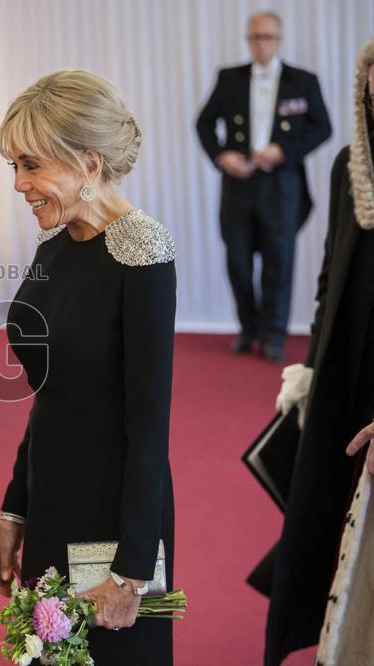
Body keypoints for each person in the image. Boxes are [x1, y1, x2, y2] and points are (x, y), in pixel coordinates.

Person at [0, 71, 176, 665]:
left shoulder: (143, 250)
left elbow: (150, 425)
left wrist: (132, 574)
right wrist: (14, 511)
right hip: (52, 503)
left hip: (115, 524)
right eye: (15, 166)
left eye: (31, 166)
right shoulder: (55, 244)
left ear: (89, 164)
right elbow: (52, 395)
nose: (19, 184)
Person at [262, 36, 374, 666]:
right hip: (341, 370)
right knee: (323, 517)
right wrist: (309, 364)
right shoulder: (348, 165)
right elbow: (331, 275)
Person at [196, 11, 332, 362]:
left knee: (278, 262)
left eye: (267, 37)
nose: (260, 44)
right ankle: (249, 328)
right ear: (248, 39)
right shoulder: (229, 78)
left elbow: (322, 127)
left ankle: (274, 335)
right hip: (238, 184)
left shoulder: (303, 81)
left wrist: (283, 152)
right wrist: (221, 155)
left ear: (279, 39)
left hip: (281, 185)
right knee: (238, 262)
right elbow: (204, 122)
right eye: (254, 37)